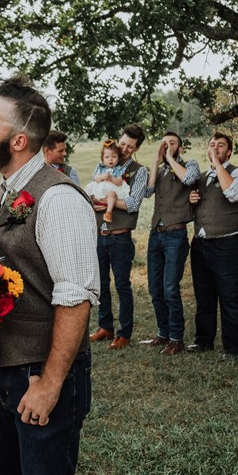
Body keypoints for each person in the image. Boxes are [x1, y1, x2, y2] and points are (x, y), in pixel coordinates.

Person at [0, 74, 99, 475]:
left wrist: (49, 384)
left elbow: (75, 296)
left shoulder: (59, 199)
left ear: (18, 142)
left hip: (42, 374)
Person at [187, 132, 238, 360]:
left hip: (229, 243)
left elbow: (234, 194)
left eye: (220, 145)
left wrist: (216, 164)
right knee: (204, 296)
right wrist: (191, 202)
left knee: (230, 297)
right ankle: (203, 340)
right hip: (201, 243)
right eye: (212, 144)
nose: (215, 148)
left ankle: (236, 349)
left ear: (229, 151)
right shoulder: (202, 177)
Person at [88, 124, 148, 350]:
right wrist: (100, 202)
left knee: (123, 285)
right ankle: (105, 326)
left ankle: (124, 332)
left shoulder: (139, 171)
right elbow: (92, 193)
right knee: (101, 283)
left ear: (136, 149)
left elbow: (132, 204)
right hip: (99, 234)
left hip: (121, 237)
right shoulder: (103, 164)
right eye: (122, 143)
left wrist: (104, 204)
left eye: (129, 147)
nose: (123, 149)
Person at [141, 132, 199, 355]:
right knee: (155, 288)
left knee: (170, 288)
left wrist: (172, 158)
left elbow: (190, 180)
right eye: (163, 143)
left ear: (180, 148)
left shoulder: (189, 164)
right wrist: (157, 163)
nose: (166, 146)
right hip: (156, 233)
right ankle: (163, 333)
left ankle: (176, 338)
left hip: (175, 234)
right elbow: (147, 192)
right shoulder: (162, 169)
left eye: (171, 143)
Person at [83, 142, 131, 224]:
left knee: (111, 194)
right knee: (88, 191)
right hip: (100, 188)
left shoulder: (118, 169)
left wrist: (112, 178)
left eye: (114, 157)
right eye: (107, 157)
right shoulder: (101, 168)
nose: (110, 159)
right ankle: (91, 205)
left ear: (118, 158)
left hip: (112, 188)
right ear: (103, 159)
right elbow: (96, 179)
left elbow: (119, 182)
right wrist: (102, 177)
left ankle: (108, 212)